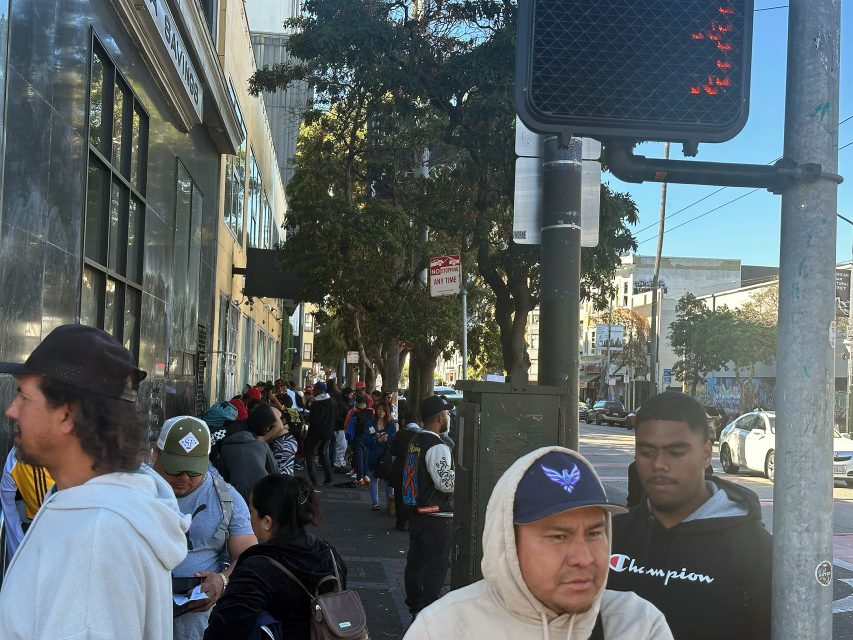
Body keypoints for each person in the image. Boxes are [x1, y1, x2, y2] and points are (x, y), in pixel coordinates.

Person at [0, 324, 189, 639]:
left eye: (23, 396)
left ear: (67, 415)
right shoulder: (96, 510)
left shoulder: (95, 538)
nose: (11, 410)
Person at [405, 446, 671, 639]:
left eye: (593, 534)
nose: (584, 557)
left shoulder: (637, 624)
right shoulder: (443, 629)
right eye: (558, 537)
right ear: (508, 543)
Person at [608, 392, 772, 640]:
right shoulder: (610, 536)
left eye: (676, 452)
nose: (659, 464)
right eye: (646, 452)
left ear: (706, 454)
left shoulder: (754, 549)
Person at [203, 474, 347, 639]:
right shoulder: (329, 553)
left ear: (267, 521)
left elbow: (224, 629)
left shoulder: (256, 569)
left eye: (251, 511)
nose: (249, 518)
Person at [152, 416, 257, 640]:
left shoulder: (227, 498)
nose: (183, 478)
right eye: (174, 469)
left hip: (196, 625)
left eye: (192, 472)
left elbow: (249, 554)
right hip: (140, 612)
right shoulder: (135, 490)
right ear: (156, 453)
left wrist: (222, 580)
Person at [403, 395, 455, 617]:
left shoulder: (416, 441)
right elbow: (445, 483)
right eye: (447, 414)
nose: (449, 417)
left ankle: (415, 606)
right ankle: (429, 610)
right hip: (437, 516)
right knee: (436, 567)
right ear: (439, 418)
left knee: (415, 563)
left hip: (417, 513)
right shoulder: (437, 446)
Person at [218, 403, 279, 502]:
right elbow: (275, 472)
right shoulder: (262, 445)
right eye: (267, 426)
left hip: (236, 497)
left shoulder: (226, 445)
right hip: (260, 496)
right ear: (261, 424)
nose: (268, 430)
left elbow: (224, 477)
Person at [0, 446, 54, 556]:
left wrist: (18, 556)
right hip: (44, 529)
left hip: (42, 528)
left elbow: (9, 508)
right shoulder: (15, 458)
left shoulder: (15, 457)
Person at [389, 400, 419, 531]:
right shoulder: (421, 435)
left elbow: (393, 451)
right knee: (413, 497)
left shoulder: (400, 434)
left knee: (399, 497)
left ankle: (400, 522)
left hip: (400, 469)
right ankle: (412, 522)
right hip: (414, 470)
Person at [365, 401, 397, 511]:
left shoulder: (391, 425)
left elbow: (393, 440)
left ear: (387, 411)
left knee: (388, 481)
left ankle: (390, 504)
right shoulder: (370, 423)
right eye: (379, 409)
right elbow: (367, 441)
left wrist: (386, 439)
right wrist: (377, 439)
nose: (381, 411)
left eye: (383, 409)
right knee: (373, 479)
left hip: (386, 456)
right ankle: (375, 503)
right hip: (373, 455)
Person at [304, 381, 336, 487]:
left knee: (310, 454)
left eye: (314, 389)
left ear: (318, 390)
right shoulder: (331, 401)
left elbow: (313, 419)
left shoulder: (317, 404)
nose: (313, 390)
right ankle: (329, 476)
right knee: (324, 453)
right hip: (328, 431)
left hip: (316, 432)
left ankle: (313, 480)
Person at [268, 406, 298, 476]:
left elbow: (279, 426)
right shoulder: (293, 411)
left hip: (284, 442)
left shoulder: (280, 412)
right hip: (290, 438)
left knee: (282, 469)